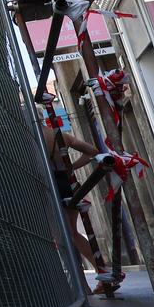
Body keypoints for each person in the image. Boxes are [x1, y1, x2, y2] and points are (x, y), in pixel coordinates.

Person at [41, 120, 109, 286]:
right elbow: (92, 151)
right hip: (68, 182)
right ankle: (102, 271)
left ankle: (83, 285)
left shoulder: (32, 137)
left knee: (63, 235)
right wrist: (71, 167)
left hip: (50, 183)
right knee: (73, 233)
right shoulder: (61, 135)